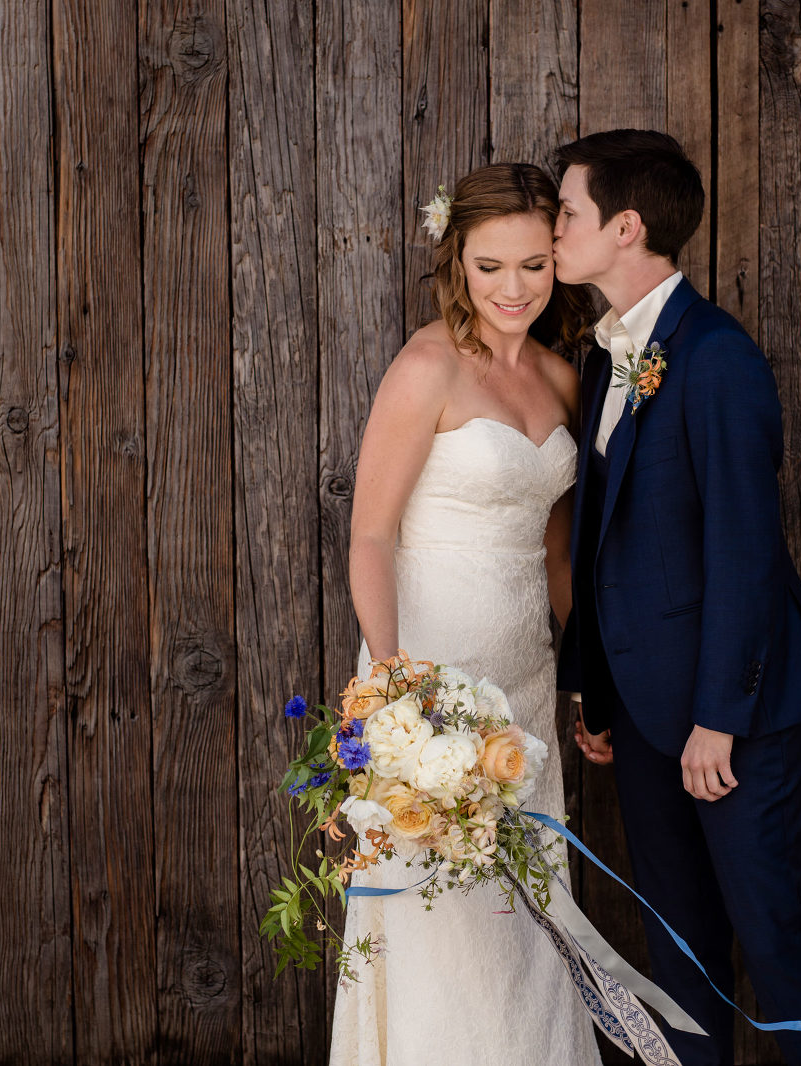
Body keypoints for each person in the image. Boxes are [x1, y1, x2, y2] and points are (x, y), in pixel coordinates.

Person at [553, 128, 801, 1065]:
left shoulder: (717, 357)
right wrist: (595, 694)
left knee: (768, 932)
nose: (554, 231)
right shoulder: (607, 356)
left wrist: (719, 720)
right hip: (644, 715)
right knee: (678, 943)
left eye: (567, 214)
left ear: (626, 226)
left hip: (736, 716)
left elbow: (744, 553)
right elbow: (608, 542)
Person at [328, 163, 602, 1065]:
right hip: (428, 680)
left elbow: (560, 554)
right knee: (439, 919)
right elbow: (371, 534)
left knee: (525, 917)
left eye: (533, 265)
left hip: (522, 678)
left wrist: (585, 679)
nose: (513, 289)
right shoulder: (427, 364)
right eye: (491, 268)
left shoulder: (564, 383)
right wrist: (394, 679)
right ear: (458, 261)